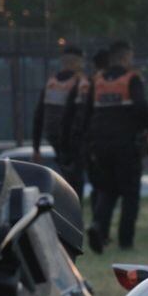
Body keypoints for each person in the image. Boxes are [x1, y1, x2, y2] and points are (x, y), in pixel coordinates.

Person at [85, 40, 148, 252]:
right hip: (126, 146)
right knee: (130, 195)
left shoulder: (97, 81)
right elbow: (142, 106)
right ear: (124, 58)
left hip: (101, 147)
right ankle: (125, 240)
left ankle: (98, 227)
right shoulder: (131, 79)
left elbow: (88, 113)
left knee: (107, 190)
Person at [32, 44, 90, 192]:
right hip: (74, 138)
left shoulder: (51, 84)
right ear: (76, 62)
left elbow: (39, 114)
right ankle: (75, 207)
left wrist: (36, 147)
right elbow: (85, 113)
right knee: (76, 179)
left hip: (53, 136)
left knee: (66, 176)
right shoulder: (81, 82)